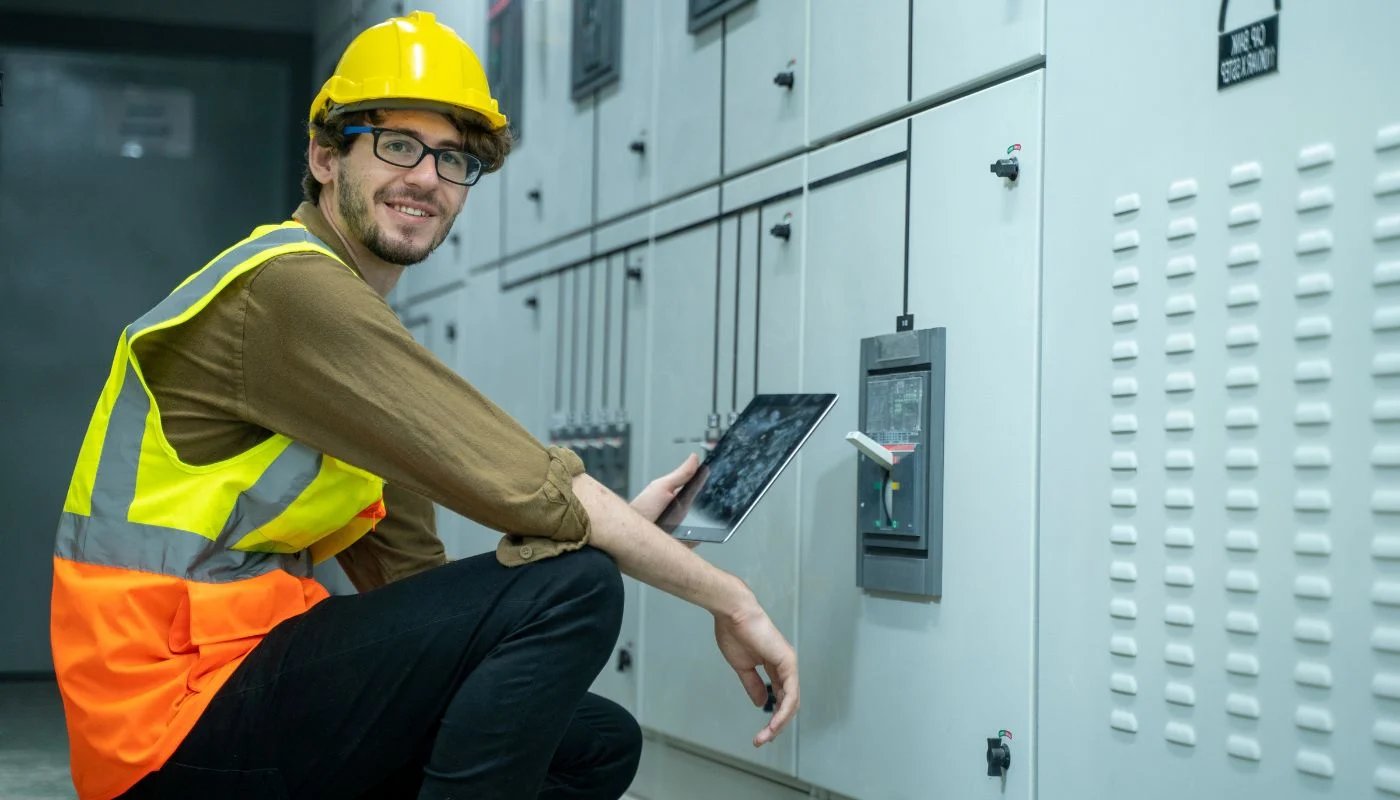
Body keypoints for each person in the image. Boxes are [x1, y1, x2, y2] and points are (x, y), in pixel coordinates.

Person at [50, 11, 798, 800]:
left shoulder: (345, 333)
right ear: (325, 157)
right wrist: (730, 599)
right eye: (398, 146)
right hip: (166, 718)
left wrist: (615, 534)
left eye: (453, 159)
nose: (427, 178)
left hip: (229, 680)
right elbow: (528, 484)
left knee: (594, 743)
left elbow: (411, 583)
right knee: (573, 588)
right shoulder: (289, 291)